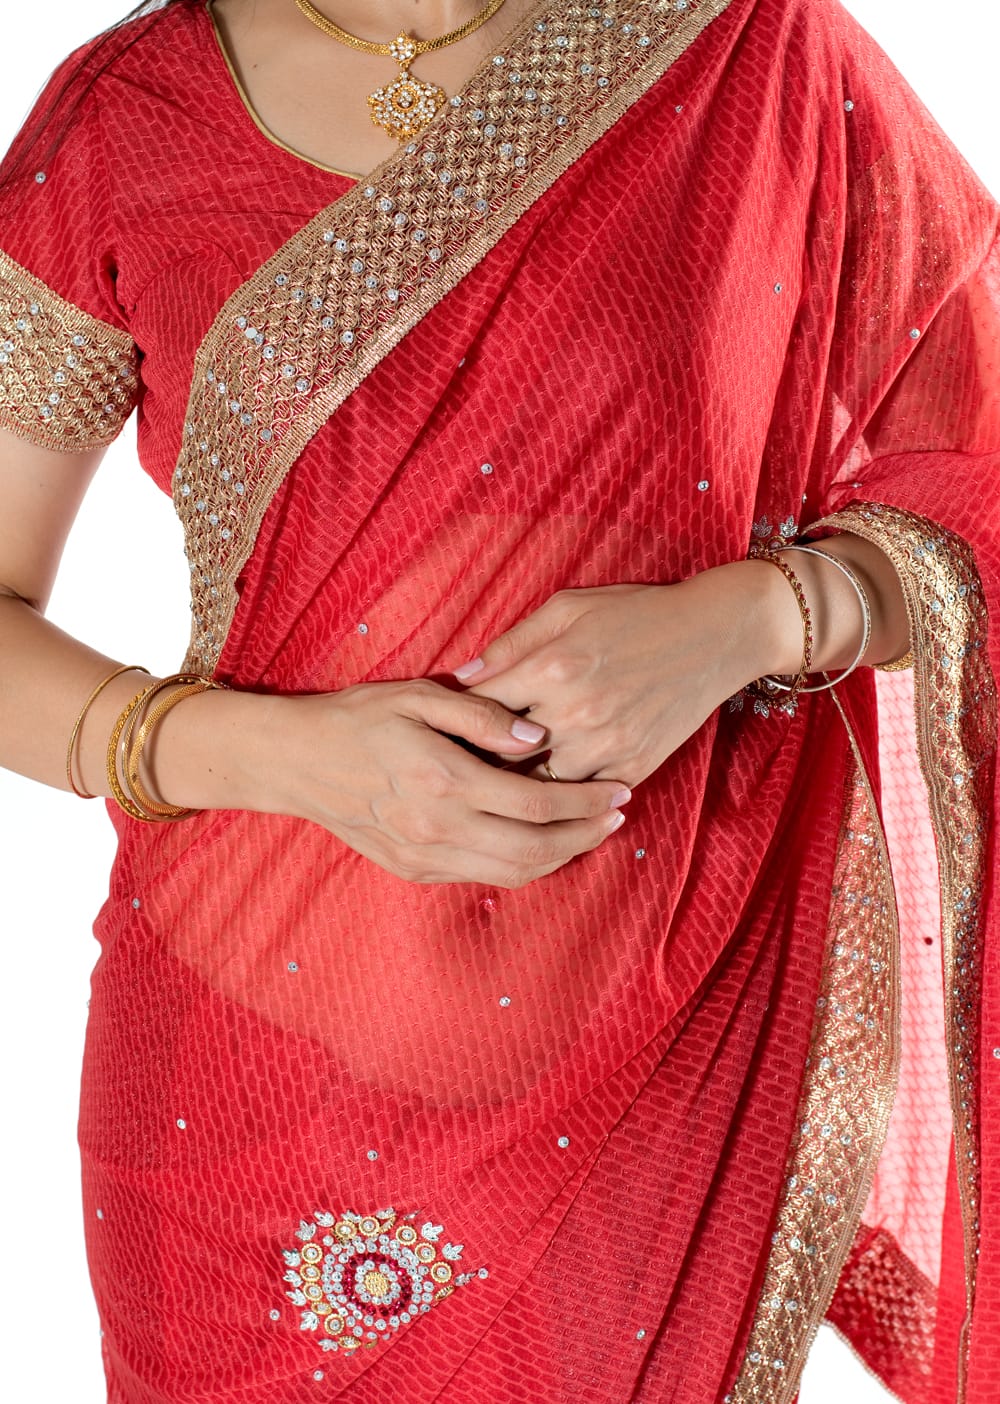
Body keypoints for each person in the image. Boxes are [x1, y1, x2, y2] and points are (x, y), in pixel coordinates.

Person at [0, 0, 997, 1399]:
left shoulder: (755, 50)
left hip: (656, 1062)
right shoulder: (127, 118)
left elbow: (978, 457)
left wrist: (755, 617)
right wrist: (290, 757)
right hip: (237, 1088)